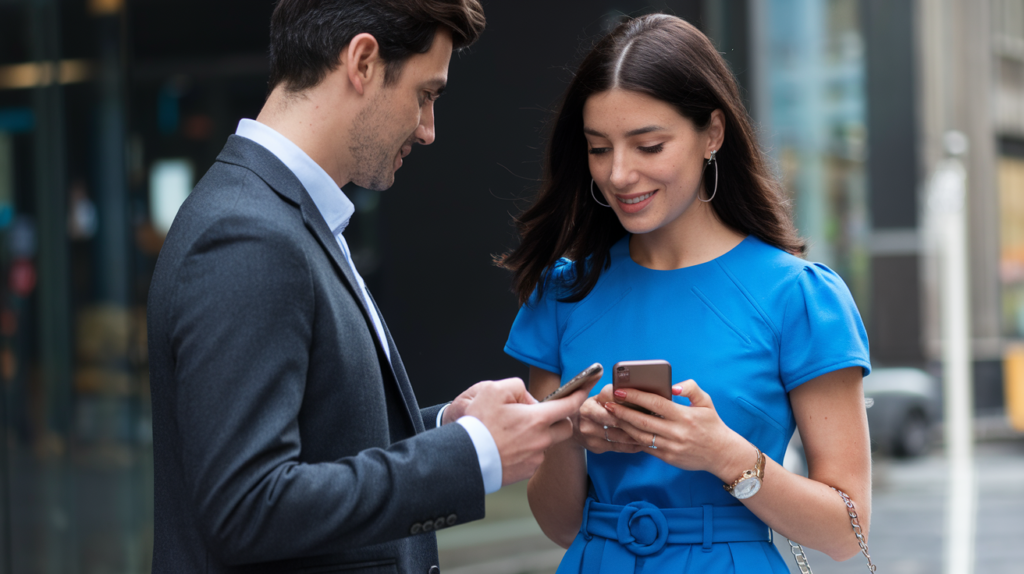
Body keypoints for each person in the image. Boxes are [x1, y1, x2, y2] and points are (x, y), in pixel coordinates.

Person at [146, 2, 595, 573]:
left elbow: (322, 438)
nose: (429, 130)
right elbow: (247, 509)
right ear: (362, 61)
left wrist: (446, 428)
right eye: (425, 94)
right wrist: (473, 454)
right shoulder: (249, 234)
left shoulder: (282, 217)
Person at [499, 14, 873, 573]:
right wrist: (570, 436)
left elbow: (848, 531)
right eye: (599, 148)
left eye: (648, 145)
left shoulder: (797, 297)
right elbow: (561, 526)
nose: (619, 174)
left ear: (713, 134)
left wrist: (724, 454)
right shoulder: (564, 292)